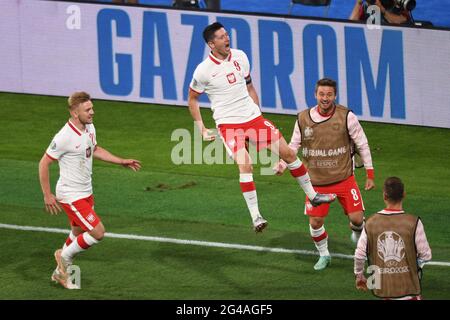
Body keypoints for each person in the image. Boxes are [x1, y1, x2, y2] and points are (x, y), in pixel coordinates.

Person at [188, 22, 336, 233]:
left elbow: (249, 86)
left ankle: (313, 195)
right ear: (211, 44)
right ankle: (256, 216)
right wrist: (201, 128)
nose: (227, 39)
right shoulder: (203, 71)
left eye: (227, 35)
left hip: (253, 118)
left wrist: (257, 113)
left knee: (288, 153)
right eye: (221, 37)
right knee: (246, 164)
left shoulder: (240, 56)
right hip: (229, 123)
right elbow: (192, 99)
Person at [38, 91, 141, 289]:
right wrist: (47, 194)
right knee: (98, 232)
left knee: (77, 232)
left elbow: (94, 149)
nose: (92, 112)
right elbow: (43, 163)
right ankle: (63, 260)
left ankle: (59, 271)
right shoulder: (63, 137)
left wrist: (121, 161)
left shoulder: (90, 127)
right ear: (75, 113)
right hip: (70, 195)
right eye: (88, 110)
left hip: (86, 192)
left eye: (92, 108)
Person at [273, 78, 375, 270]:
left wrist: (370, 173)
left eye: (329, 95)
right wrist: (282, 164)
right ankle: (324, 255)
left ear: (335, 95)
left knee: (357, 219)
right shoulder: (303, 118)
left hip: (344, 178)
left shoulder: (347, 116)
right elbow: (293, 145)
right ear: (315, 95)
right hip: (316, 183)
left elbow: (362, 144)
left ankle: (358, 237)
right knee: (316, 221)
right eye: (322, 94)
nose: (325, 98)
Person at [354, 177, 432, 300]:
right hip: (409, 291)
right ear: (404, 195)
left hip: (385, 290)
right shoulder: (414, 222)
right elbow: (426, 255)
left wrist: (359, 275)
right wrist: (413, 267)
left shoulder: (370, 223)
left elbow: (359, 255)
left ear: (384, 196)